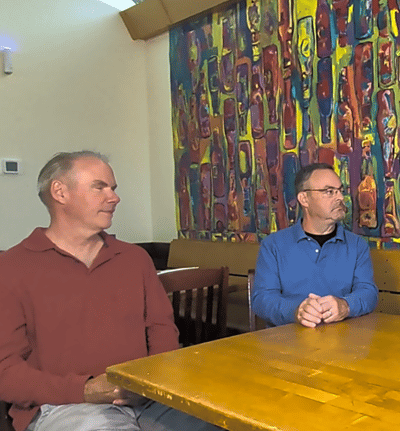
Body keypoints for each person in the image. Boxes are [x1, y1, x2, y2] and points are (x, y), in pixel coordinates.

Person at [0, 151, 221, 431]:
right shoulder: (11, 267)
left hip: (150, 399)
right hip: (65, 406)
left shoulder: (134, 259)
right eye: (99, 187)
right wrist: (87, 390)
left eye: (113, 189)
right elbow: (5, 372)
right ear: (60, 192)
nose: (114, 197)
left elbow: (161, 329)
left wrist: (155, 383)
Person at [251, 163, 378, 327]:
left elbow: (369, 293)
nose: (340, 198)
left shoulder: (357, 245)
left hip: (343, 344)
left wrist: (345, 306)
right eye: (329, 191)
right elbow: (262, 300)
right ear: (304, 199)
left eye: (340, 191)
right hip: (286, 345)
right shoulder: (273, 246)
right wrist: (297, 311)